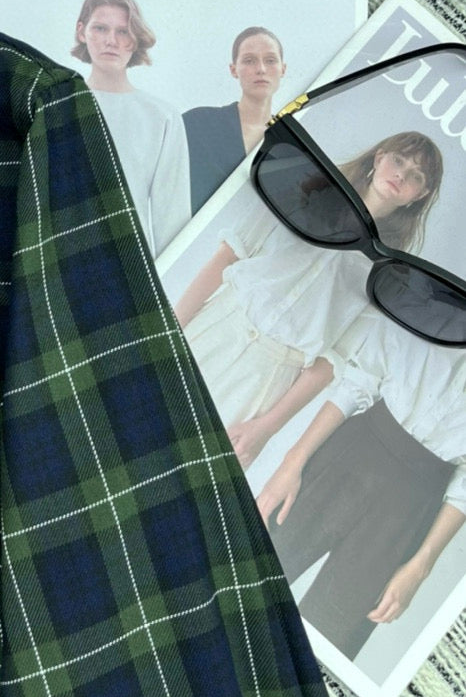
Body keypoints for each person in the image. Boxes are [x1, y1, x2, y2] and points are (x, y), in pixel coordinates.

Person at [174, 130, 443, 468]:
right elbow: (228, 255)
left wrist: (266, 428)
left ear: (420, 195)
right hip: (217, 327)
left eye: (416, 176)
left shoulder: (390, 275)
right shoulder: (307, 191)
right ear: (379, 158)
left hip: (267, 379)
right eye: (398, 160)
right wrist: (169, 328)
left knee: (195, 471)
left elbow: (332, 360)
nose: (401, 175)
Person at [257, 312, 466, 660]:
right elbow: (360, 381)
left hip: (411, 507)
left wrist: (420, 567)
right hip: (349, 456)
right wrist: (291, 462)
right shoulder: (430, 306)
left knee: (328, 640)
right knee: (249, 574)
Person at [72, 0, 190, 256]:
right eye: (100, 28)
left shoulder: (162, 117)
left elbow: (172, 217)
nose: (111, 41)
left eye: (123, 31)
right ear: (82, 31)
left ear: (135, 39)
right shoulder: (59, 107)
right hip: (64, 261)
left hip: (130, 262)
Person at [183, 27, 287, 212]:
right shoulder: (197, 124)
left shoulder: (290, 143)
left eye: (270, 60)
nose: (261, 69)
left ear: (283, 69)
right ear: (233, 69)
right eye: (249, 60)